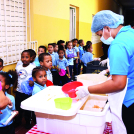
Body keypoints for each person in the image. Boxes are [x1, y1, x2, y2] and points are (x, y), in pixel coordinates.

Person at [75, 10, 134, 134]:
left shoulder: (118, 44)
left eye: (100, 34)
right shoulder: (130, 33)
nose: (101, 38)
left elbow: (119, 84)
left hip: (129, 101)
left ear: (107, 28)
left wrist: (87, 90)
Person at [15, 50, 36, 129]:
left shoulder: (32, 67)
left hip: (27, 92)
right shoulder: (18, 67)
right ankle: (18, 121)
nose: (24, 59)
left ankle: (28, 122)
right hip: (19, 91)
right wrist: (14, 87)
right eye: (23, 57)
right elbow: (17, 78)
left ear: (31, 58)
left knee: (27, 109)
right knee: (18, 107)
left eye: (27, 57)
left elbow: (36, 77)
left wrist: (33, 81)